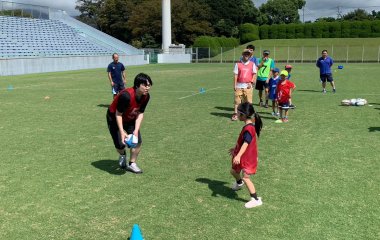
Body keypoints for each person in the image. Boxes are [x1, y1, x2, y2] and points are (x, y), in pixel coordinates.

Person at [106, 73, 153, 173]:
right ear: (137, 85)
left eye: (149, 85)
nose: (147, 88)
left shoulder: (146, 97)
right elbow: (118, 114)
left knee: (138, 141)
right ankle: (122, 155)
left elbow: (140, 113)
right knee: (120, 144)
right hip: (114, 118)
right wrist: (122, 131)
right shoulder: (126, 96)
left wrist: (136, 130)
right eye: (145, 85)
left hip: (130, 117)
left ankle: (132, 163)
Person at [229, 102, 263, 208]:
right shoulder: (248, 126)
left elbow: (246, 143)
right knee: (233, 171)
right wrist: (235, 149)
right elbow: (243, 141)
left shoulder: (248, 128)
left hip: (248, 158)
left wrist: (238, 155)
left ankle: (256, 199)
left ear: (243, 115)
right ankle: (239, 183)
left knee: (246, 178)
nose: (237, 115)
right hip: (244, 156)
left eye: (238, 113)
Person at [232, 49, 257, 121]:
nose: (246, 55)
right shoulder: (238, 64)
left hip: (248, 86)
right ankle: (236, 115)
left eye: (248, 54)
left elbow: (254, 74)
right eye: (245, 54)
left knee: (249, 102)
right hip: (239, 85)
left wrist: (252, 82)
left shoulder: (252, 64)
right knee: (237, 102)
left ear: (250, 55)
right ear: (242, 54)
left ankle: (249, 115)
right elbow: (235, 75)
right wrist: (234, 85)